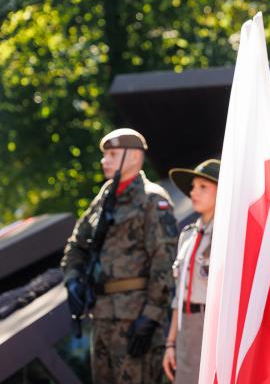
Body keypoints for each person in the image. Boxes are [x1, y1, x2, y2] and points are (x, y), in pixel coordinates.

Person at [61, 128, 178, 384]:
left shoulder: (152, 200)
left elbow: (165, 261)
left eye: (112, 154)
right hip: (102, 316)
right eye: (105, 155)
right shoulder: (104, 199)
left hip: (136, 318)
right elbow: (76, 246)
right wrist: (73, 280)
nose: (105, 161)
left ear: (135, 157)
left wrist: (150, 316)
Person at [162, 159, 220, 383]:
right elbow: (180, 295)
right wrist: (171, 343)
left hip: (213, 325)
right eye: (193, 187)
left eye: (203, 187)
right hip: (186, 327)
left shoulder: (229, 235)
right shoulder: (187, 235)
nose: (194, 192)